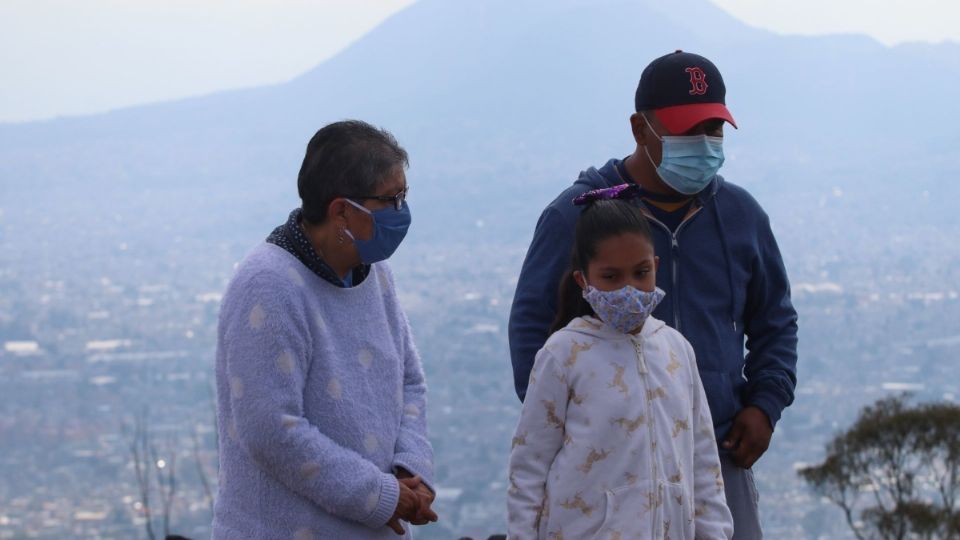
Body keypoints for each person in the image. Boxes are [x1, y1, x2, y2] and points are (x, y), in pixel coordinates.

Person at [508, 50, 798, 538]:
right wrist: (587, 432)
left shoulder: (742, 217)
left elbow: (776, 320)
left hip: (714, 459)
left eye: (714, 130)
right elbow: (532, 335)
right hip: (603, 478)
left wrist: (765, 403)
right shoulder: (577, 216)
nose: (703, 145)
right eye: (687, 131)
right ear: (640, 129)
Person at [213, 120, 437, 539]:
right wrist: (377, 495)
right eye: (391, 199)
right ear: (341, 210)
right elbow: (270, 428)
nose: (402, 211)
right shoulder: (269, 286)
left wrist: (410, 470)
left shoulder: (374, 274)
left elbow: (409, 381)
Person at [507, 188, 733, 539]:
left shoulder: (676, 350)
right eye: (611, 277)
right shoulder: (564, 354)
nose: (629, 288)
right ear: (583, 280)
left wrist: (714, 532)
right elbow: (529, 465)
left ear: (655, 266)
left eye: (641, 272)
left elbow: (702, 458)